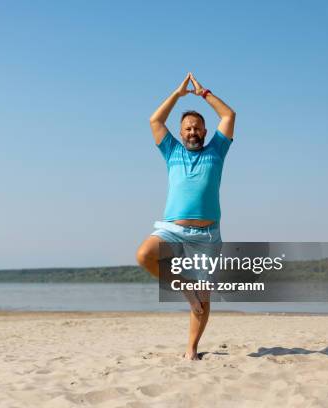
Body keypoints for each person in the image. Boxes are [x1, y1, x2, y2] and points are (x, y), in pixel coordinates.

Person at [136, 72, 236, 360]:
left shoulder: (217, 150)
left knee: (203, 300)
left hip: (206, 236)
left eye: (197, 128)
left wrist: (203, 93)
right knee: (144, 255)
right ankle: (185, 285)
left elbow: (228, 114)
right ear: (180, 134)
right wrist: (178, 95)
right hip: (172, 230)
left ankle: (191, 350)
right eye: (188, 129)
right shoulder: (172, 152)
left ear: (205, 132)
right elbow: (155, 121)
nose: (192, 132)